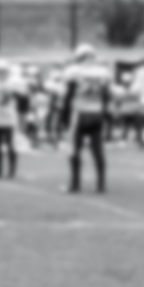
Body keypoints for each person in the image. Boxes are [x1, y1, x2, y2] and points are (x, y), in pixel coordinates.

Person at [60, 44, 112, 193]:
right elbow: (106, 96)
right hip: (97, 114)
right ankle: (101, 185)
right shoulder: (103, 72)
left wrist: (64, 117)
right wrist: (106, 115)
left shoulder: (74, 71)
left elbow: (69, 96)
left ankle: (75, 184)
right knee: (98, 151)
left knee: (74, 149)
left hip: (80, 114)